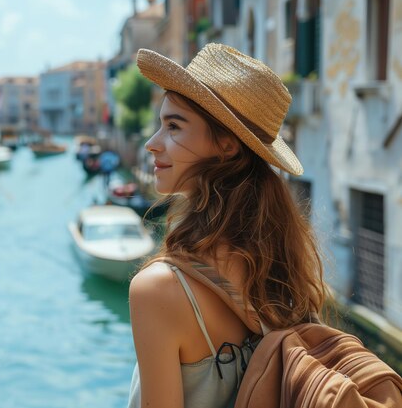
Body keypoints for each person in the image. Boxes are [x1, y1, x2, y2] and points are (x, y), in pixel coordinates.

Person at [127, 44, 327, 408]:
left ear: (227, 146)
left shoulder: (157, 290)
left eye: (173, 126)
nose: (151, 144)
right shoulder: (280, 259)